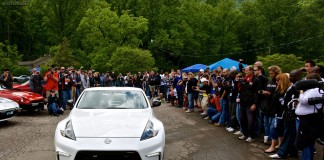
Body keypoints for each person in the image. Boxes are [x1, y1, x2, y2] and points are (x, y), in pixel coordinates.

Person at [295, 73, 323, 160]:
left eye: (306, 80)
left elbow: (304, 101)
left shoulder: (314, 90)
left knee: (304, 142)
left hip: (307, 120)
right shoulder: (317, 90)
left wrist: (301, 91)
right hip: (310, 118)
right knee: (309, 141)